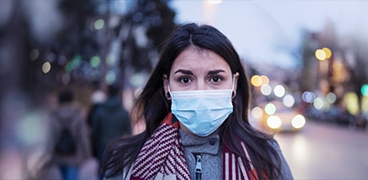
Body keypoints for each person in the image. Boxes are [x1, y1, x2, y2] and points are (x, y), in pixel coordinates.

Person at [101, 23, 293, 180]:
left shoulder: (265, 156)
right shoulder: (127, 160)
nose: (201, 91)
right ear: (167, 86)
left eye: (215, 79)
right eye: (185, 79)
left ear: (234, 84)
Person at [89, 84, 132, 180]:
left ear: (107, 93)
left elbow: (95, 131)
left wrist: (94, 145)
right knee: (116, 173)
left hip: (102, 146)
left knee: (102, 171)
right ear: (117, 93)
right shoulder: (123, 112)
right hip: (118, 147)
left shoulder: (99, 111)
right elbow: (129, 132)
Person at [49, 89, 90, 180]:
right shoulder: (78, 115)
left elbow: (51, 137)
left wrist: (50, 154)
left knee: (63, 176)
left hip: (59, 154)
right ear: (72, 100)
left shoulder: (54, 115)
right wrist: (87, 153)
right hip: (74, 154)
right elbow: (83, 136)